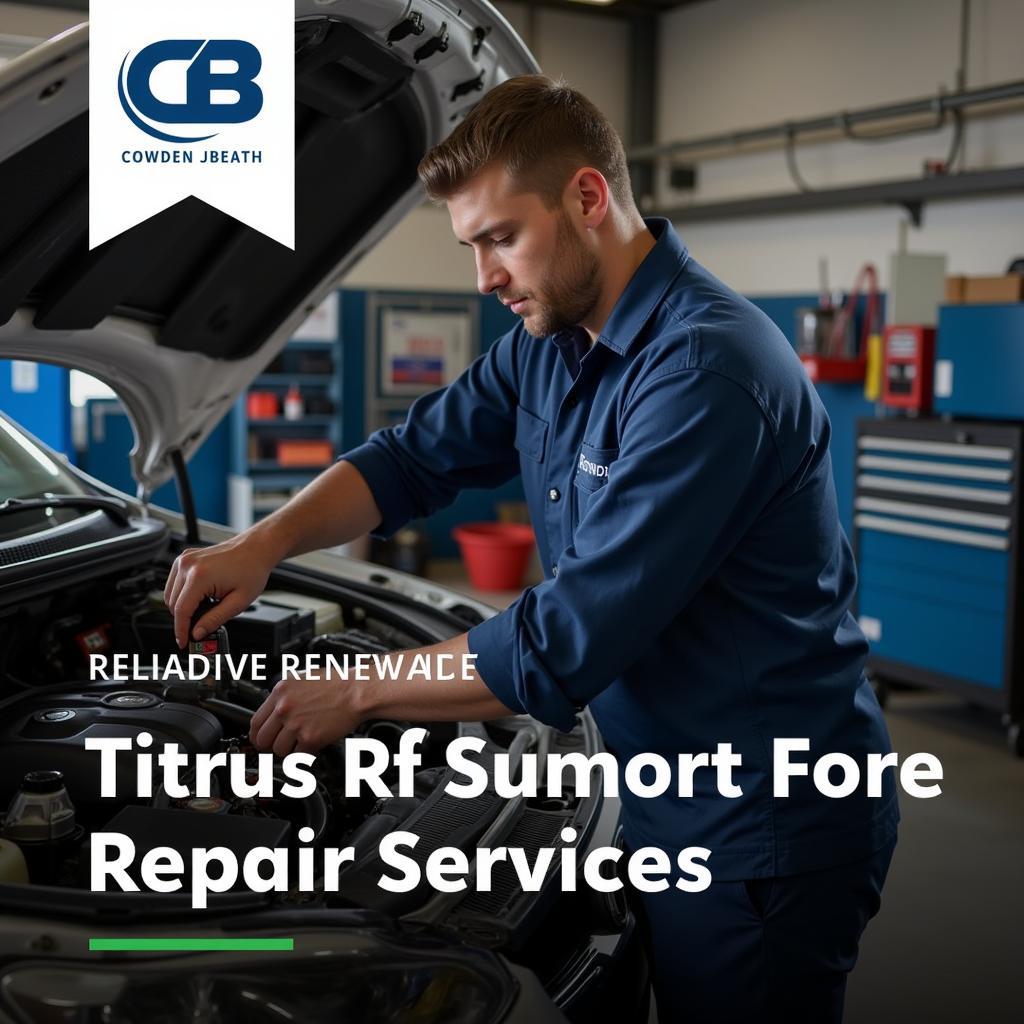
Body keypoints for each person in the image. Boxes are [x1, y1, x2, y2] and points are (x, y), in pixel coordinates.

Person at [165, 75, 898, 1022]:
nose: (485, 278)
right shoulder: (550, 341)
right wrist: (261, 545)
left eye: (501, 238)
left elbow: (563, 639)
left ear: (588, 199)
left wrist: (353, 690)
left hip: (761, 821)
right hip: (661, 781)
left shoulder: (708, 372)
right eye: (472, 247)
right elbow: (409, 461)